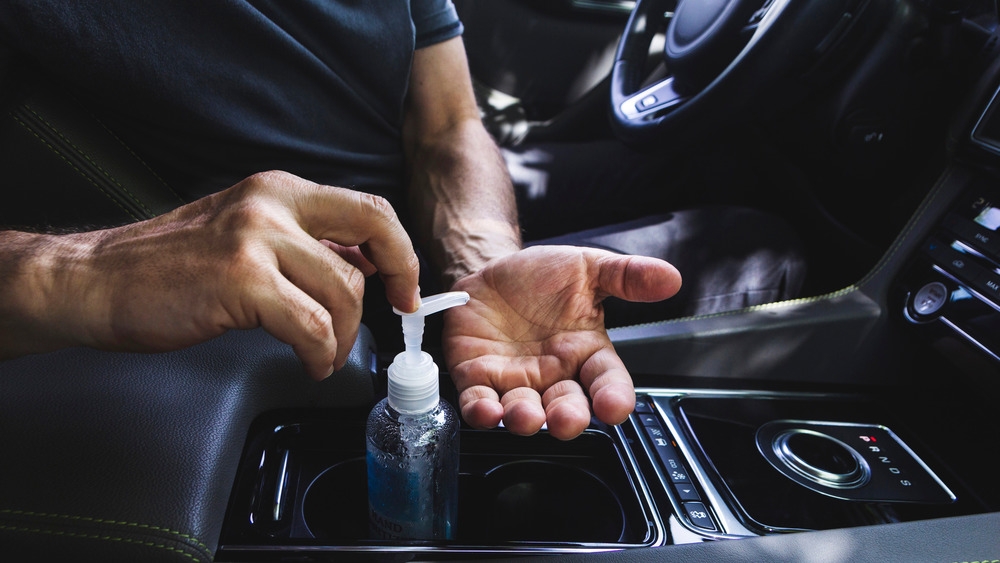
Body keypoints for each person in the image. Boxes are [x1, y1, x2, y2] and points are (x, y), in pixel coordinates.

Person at [0, 0, 688, 441]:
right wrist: (80, 272)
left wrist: (480, 262)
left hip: (441, 238)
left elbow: (447, 123)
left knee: (687, 161)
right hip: (316, 308)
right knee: (760, 244)